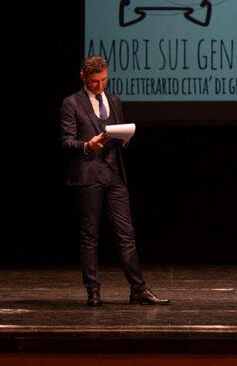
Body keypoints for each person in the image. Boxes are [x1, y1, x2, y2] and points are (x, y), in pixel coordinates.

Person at [60, 56, 170, 307]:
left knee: (126, 234)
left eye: (104, 80)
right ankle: (93, 291)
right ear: (83, 77)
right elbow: (66, 141)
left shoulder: (114, 100)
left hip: (115, 175)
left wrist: (125, 138)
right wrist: (87, 145)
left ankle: (138, 289)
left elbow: (118, 132)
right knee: (90, 236)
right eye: (94, 82)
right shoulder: (71, 103)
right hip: (88, 177)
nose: (100, 86)